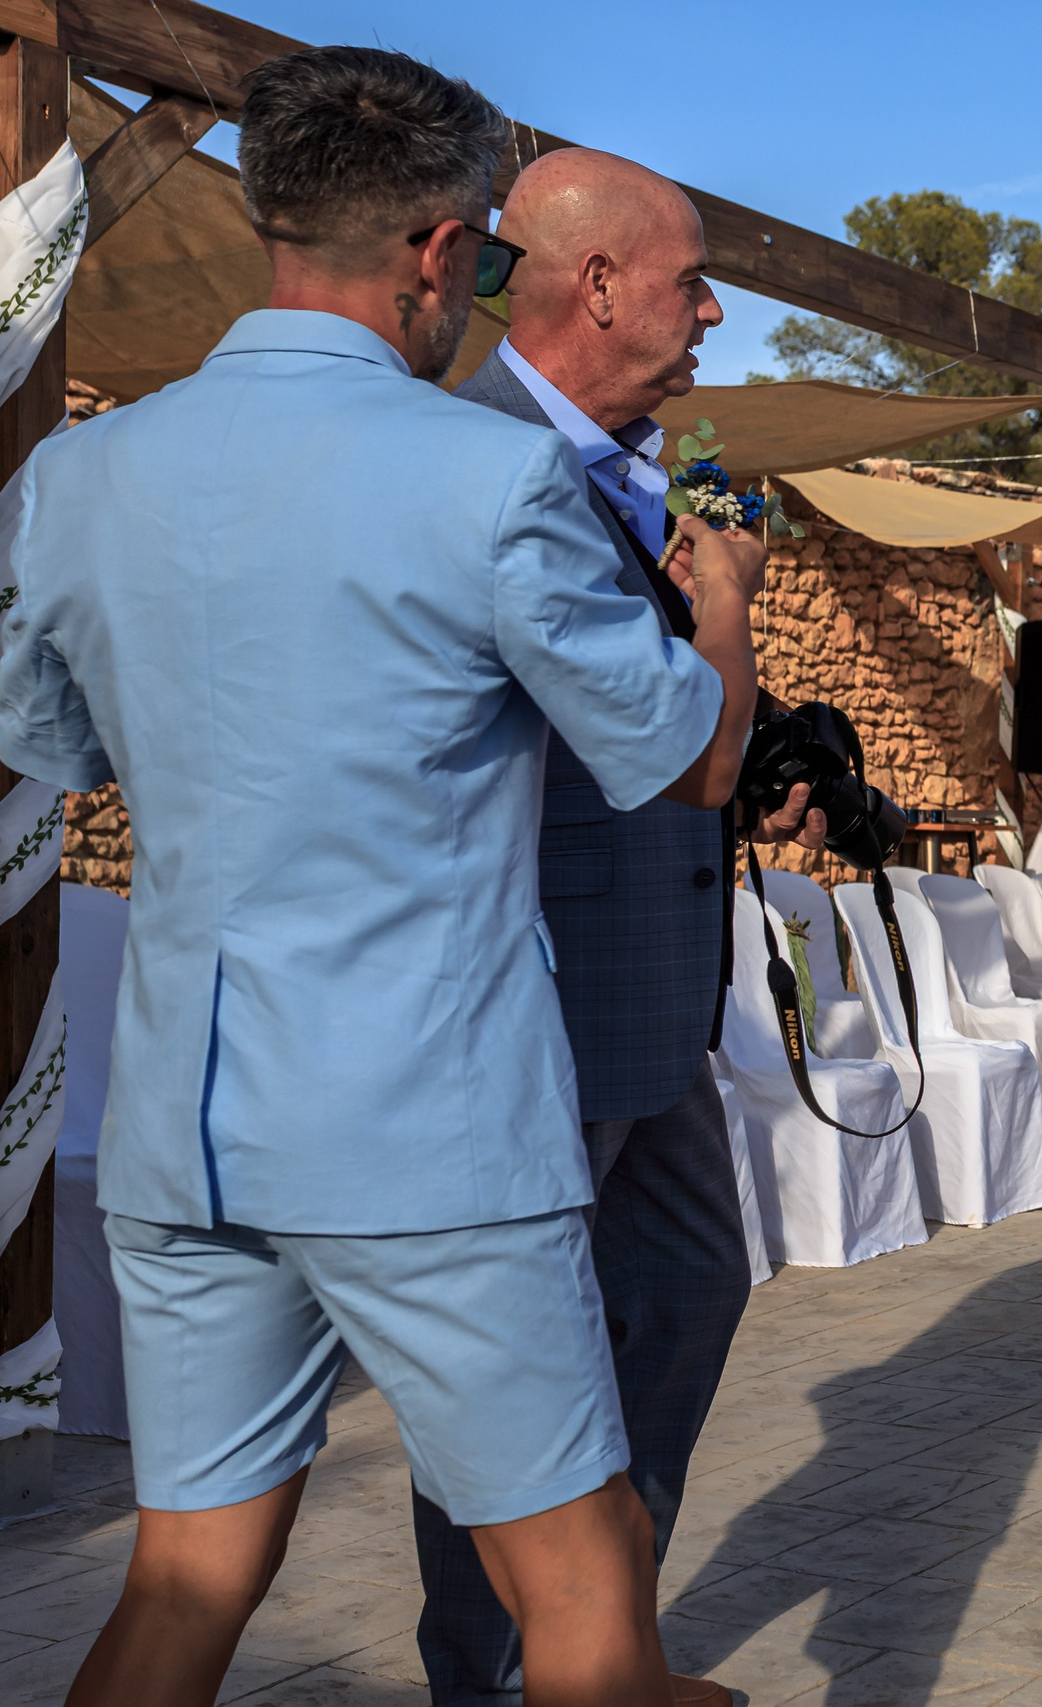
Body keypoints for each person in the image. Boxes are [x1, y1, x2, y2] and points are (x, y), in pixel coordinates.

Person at [0, 48, 767, 1707]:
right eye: (484, 258)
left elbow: (52, 739)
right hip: (437, 1136)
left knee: (188, 1577)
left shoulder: (77, 475)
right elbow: (684, 758)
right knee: (583, 1589)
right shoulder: (491, 480)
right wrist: (722, 604)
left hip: (188, 1130)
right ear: (435, 248)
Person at [410, 147, 819, 1707]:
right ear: (594, 284)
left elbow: (665, 719)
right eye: (691, 278)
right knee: (509, 1372)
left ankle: (603, 1641)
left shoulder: (670, 468)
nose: (713, 308)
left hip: (659, 991)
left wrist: (760, 763)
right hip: (531, 995)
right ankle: (494, 1671)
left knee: (692, 1289)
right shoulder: (464, 458)